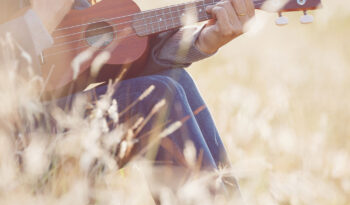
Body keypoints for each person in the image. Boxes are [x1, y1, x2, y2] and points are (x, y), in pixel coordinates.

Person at [0, 0, 255, 170]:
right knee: (156, 95)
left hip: (53, 120)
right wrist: (45, 15)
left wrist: (203, 40)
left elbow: (107, 51)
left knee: (173, 82)